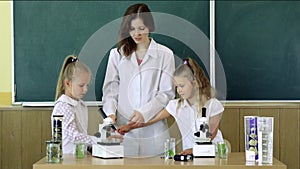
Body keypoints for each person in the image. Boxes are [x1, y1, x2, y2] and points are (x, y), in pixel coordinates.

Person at [102, 3, 175, 157]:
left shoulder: (165, 54)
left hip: (154, 130)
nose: (137, 33)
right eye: (132, 29)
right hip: (124, 129)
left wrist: (144, 112)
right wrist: (110, 114)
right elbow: (110, 90)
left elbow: (166, 93)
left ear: (150, 26)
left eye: (141, 28)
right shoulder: (117, 54)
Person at [118, 58, 224, 155]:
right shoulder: (175, 106)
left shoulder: (213, 105)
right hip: (188, 157)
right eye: (176, 86)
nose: (179, 90)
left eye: (182, 86)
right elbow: (151, 119)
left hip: (214, 155)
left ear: (195, 83)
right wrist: (130, 126)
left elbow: (211, 135)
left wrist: (193, 150)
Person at [51, 55, 99, 154]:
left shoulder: (81, 105)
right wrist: (98, 140)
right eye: (81, 85)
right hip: (67, 160)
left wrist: (103, 138)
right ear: (68, 83)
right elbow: (74, 136)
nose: (85, 89)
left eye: (87, 85)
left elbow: (82, 135)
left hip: (79, 158)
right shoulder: (63, 106)